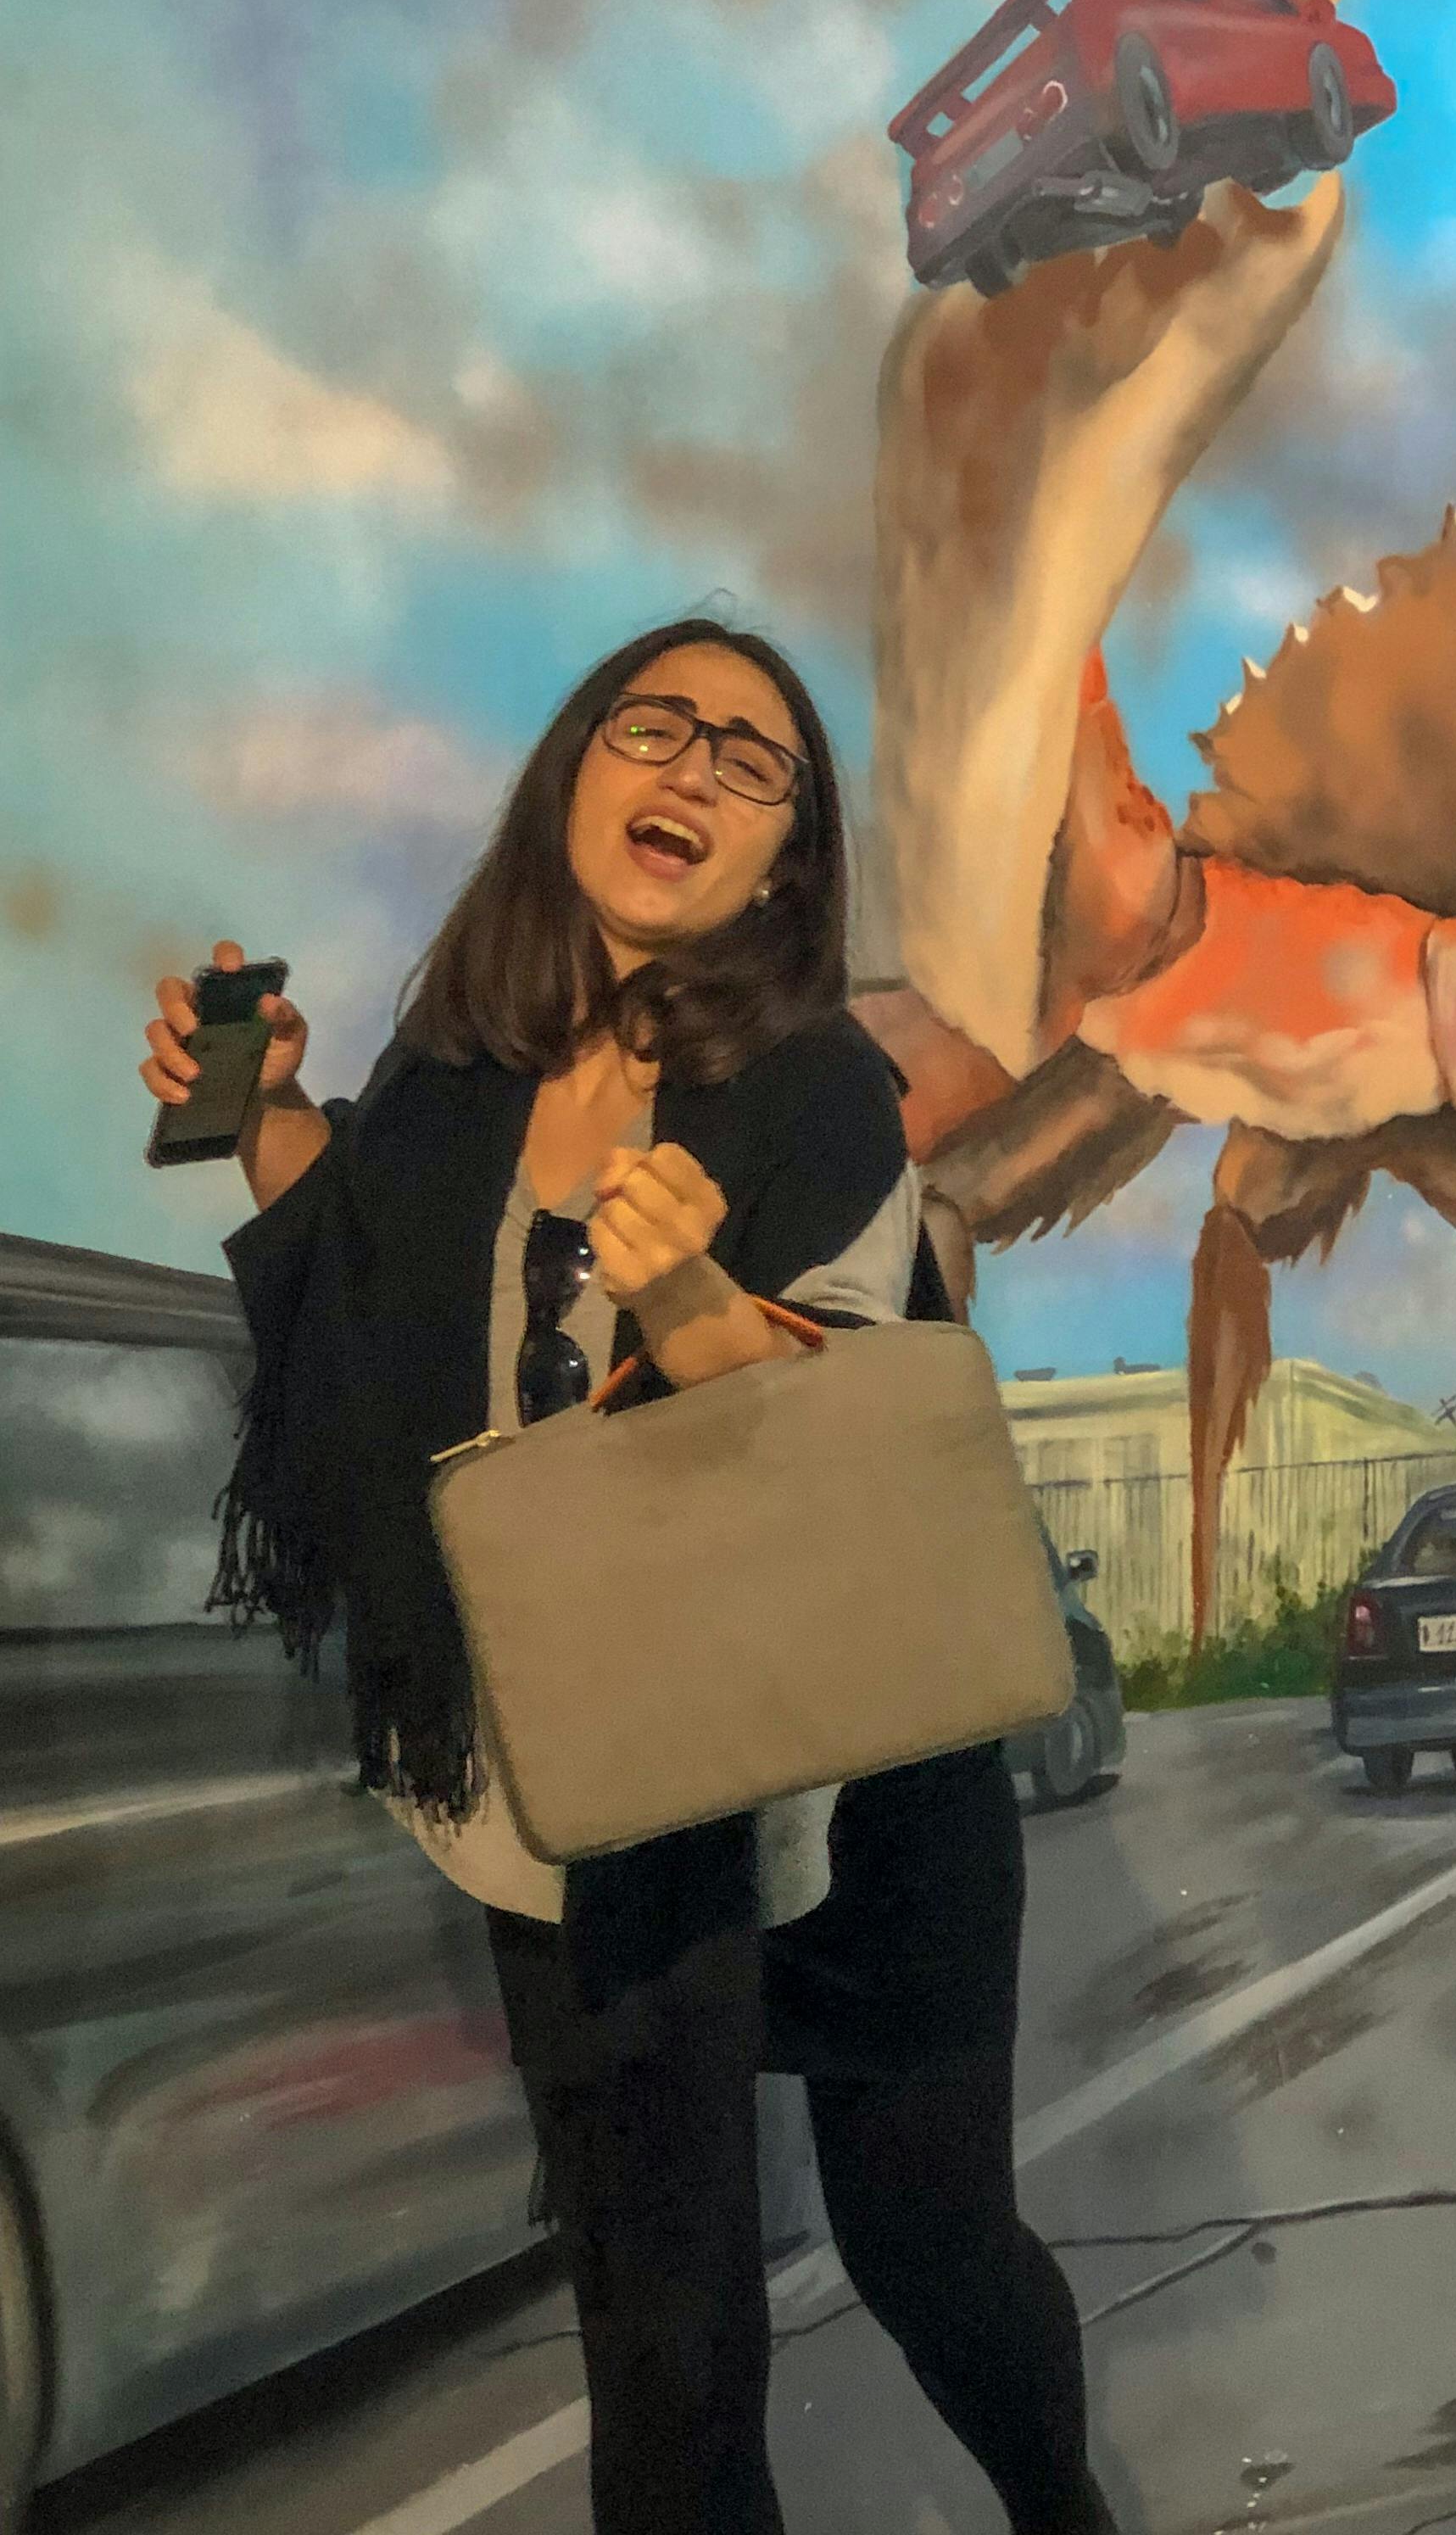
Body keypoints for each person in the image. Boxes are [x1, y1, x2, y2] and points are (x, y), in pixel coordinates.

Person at [139, 617, 1118, 2535]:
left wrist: (688, 1301)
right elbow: (375, 1334)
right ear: (574, 771)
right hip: (596, 1785)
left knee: (932, 2247)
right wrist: (269, 1126)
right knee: (663, 2350)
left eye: (750, 763)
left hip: (858, 1775)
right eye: (653, 727)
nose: (691, 772)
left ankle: (1062, 2510)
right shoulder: (449, 1078)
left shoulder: (821, 1091)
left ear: (785, 862)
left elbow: (853, 1438)